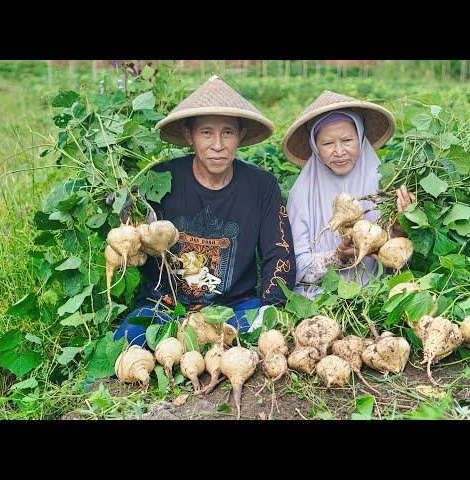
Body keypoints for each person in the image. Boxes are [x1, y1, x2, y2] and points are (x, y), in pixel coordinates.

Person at [114, 76, 296, 346]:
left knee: (263, 331)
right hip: (165, 308)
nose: (218, 145)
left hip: (233, 310)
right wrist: (123, 209)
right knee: (128, 338)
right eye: (206, 132)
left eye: (228, 132)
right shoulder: (158, 180)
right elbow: (135, 237)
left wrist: (272, 306)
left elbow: (279, 251)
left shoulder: (262, 186)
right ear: (189, 135)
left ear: (241, 135)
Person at [282, 90, 416, 298]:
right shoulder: (301, 193)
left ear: (360, 138)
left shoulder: (386, 183)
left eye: (347, 140)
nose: (339, 151)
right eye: (327, 143)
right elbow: (294, 267)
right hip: (320, 299)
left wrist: (402, 228)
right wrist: (338, 257)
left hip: (379, 294)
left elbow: (400, 257)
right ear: (315, 147)